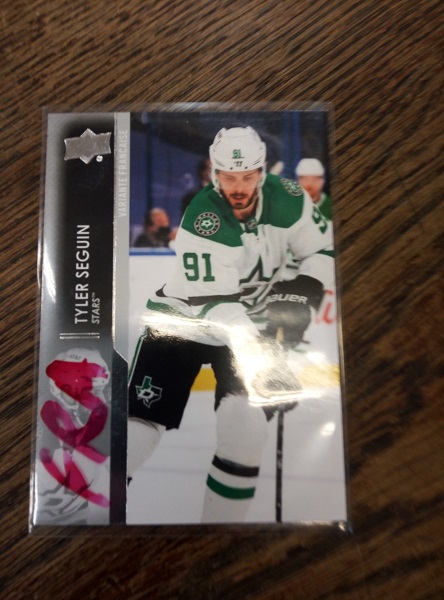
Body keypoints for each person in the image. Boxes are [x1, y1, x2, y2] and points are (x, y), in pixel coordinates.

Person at [127, 127, 334, 523]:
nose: (238, 188)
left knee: (246, 431)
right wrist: (265, 362)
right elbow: (218, 308)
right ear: (214, 174)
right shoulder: (202, 218)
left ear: (262, 171)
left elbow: (323, 249)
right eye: (228, 177)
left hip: (247, 326)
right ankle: (91, 509)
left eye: (247, 176)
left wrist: (303, 289)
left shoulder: (290, 199)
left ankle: (220, 533)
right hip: (183, 323)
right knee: (140, 429)